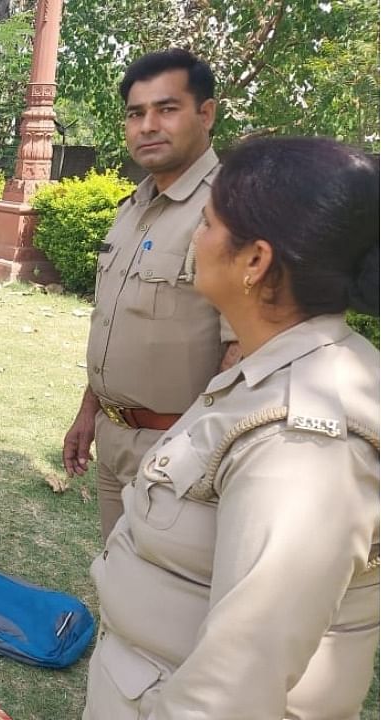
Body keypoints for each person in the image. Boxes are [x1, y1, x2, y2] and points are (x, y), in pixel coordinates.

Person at [83, 136, 379, 718]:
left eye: (208, 223)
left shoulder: (304, 441)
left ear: (255, 261)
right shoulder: (268, 369)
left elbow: (235, 687)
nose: (195, 237)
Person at [62, 49, 239, 541]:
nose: (147, 126)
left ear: (206, 114)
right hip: (114, 434)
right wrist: (89, 412)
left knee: (165, 599)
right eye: (136, 113)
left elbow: (243, 350)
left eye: (166, 109)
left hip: (180, 449)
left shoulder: (229, 211)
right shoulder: (133, 209)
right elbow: (115, 324)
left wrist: (195, 448)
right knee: (117, 583)